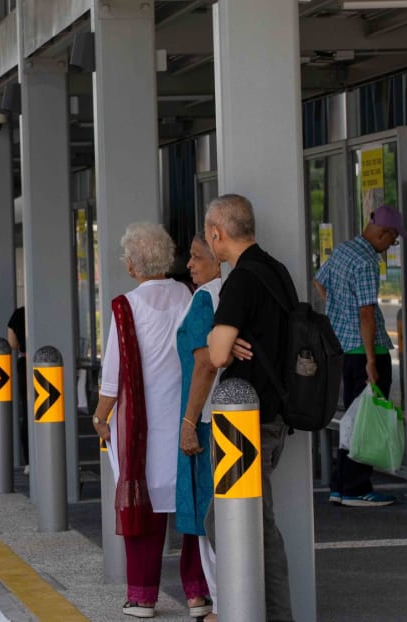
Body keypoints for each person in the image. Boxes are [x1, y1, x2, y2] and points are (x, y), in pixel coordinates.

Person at [91, 222, 210, 620]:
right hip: (186, 420)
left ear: (132, 265)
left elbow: (114, 375)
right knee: (191, 504)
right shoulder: (188, 294)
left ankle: (142, 598)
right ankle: (198, 595)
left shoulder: (127, 306)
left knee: (144, 507)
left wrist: (100, 416)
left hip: (140, 428)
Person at [206, 193, 295, 622]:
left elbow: (219, 354)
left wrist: (218, 338)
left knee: (253, 529)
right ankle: (253, 608)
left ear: (217, 232)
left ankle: (266, 614)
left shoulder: (241, 280)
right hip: (272, 416)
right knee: (244, 524)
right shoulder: (277, 271)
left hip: (244, 426)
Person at [314, 205, 407, 508]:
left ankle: (341, 485)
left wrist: (338, 309)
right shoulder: (367, 261)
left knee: (353, 419)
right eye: (392, 240)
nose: (389, 247)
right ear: (382, 233)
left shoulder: (343, 250)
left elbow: (319, 280)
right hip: (367, 352)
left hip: (344, 348)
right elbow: (366, 313)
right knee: (366, 420)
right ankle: (357, 487)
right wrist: (370, 360)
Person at [175, 231, 221, 622]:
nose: (189, 264)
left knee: (208, 516)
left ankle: (223, 604)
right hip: (228, 415)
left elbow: (204, 363)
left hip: (205, 419)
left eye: (196, 256)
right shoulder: (231, 294)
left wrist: (188, 422)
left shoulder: (206, 299)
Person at [7, 306, 29, 472]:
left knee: (28, 411)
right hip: (56, 368)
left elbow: (12, 343)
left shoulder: (19, 313)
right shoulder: (50, 309)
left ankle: (29, 460)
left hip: (26, 364)